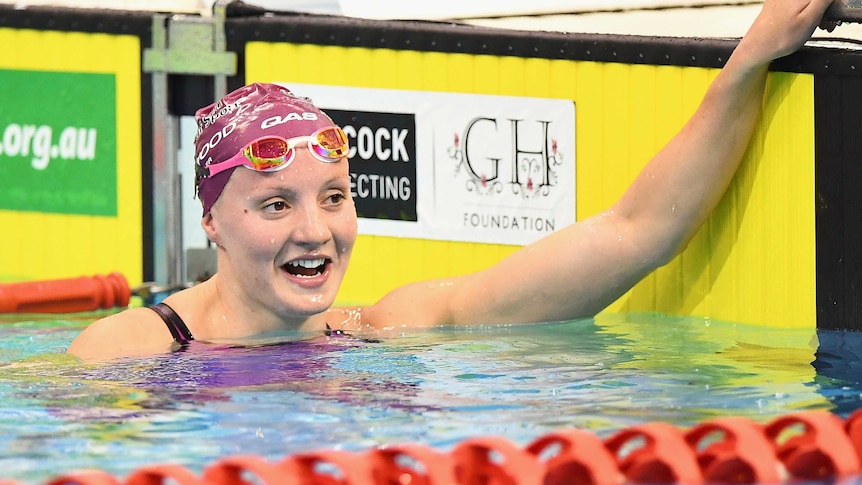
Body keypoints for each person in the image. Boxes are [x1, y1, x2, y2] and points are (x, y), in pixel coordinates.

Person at [67, 0, 836, 361]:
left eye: (334, 195)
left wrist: (751, 60)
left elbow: (637, 233)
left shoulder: (386, 328)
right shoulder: (131, 347)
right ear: (211, 220)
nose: (315, 229)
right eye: (276, 203)